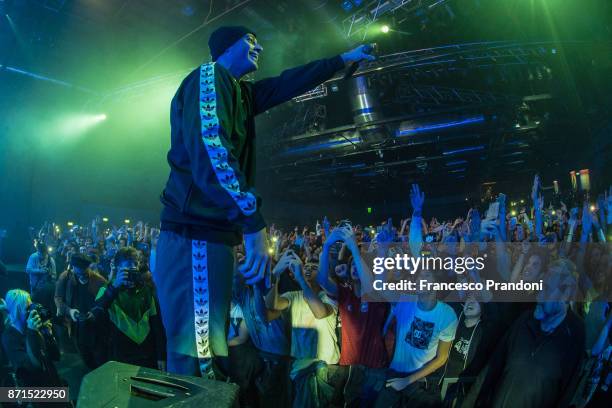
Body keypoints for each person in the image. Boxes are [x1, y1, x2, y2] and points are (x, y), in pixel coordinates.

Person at [153, 23, 376, 378]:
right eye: (251, 41)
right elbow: (212, 151)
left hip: (211, 237)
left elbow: (287, 82)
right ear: (227, 47)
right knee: (195, 356)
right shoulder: (210, 77)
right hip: (194, 235)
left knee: (204, 349)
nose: (259, 47)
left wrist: (341, 60)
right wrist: (252, 222)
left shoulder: (239, 92)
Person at [463, 260, 586, 408]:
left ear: (566, 294)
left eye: (546, 289)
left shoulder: (575, 334)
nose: (539, 296)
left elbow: (568, 394)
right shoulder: (524, 320)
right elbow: (492, 367)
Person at [266, 250, 341, 407]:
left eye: (313, 267)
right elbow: (272, 306)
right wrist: (275, 277)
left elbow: (319, 312)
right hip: (300, 364)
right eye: (305, 266)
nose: (307, 268)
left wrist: (300, 278)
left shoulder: (329, 296)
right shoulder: (294, 296)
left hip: (324, 367)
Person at [375, 269, 458, 408]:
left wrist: (408, 380)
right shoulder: (404, 300)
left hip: (420, 380)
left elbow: (441, 358)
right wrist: (383, 253)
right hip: (395, 374)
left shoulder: (447, 315)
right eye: (418, 276)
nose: (419, 279)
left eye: (426, 275)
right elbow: (379, 285)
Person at [89, 247, 166, 370]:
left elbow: (157, 325)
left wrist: (161, 355)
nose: (133, 270)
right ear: (118, 268)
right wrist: (114, 288)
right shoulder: (106, 290)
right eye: (127, 267)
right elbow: (95, 316)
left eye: (135, 265)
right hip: (120, 357)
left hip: (147, 355)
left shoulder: (146, 291)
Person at [54, 253, 107, 368]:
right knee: (85, 356)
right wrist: (69, 311)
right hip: (76, 327)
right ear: (72, 268)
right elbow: (58, 298)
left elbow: (105, 302)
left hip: (96, 327)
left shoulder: (100, 281)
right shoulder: (65, 277)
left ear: (88, 268)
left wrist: (95, 313)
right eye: (77, 273)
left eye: (83, 273)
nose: (80, 276)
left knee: (100, 358)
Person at [1, 289, 62, 388]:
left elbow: (56, 356)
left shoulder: (32, 326)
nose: (32, 310)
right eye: (28, 307)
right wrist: (32, 332)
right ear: (17, 310)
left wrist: (49, 335)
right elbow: (32, 367)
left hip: (53, 381)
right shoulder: (9, 337)